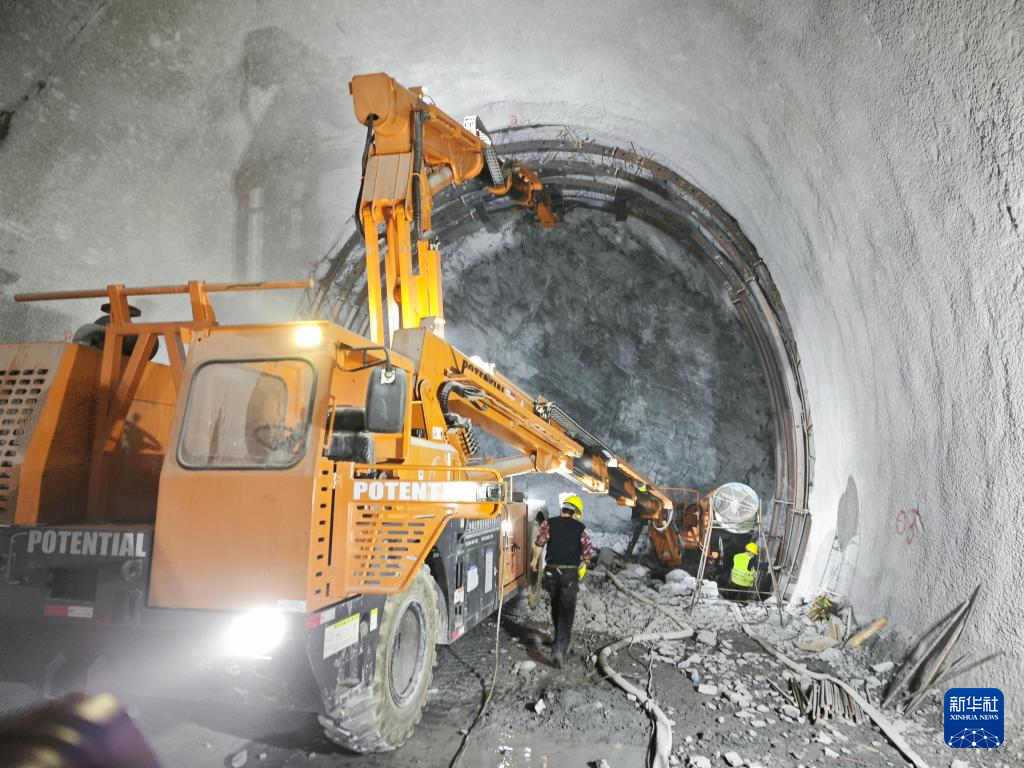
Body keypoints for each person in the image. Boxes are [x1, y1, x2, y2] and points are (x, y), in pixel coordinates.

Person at [530, 494, 593, 667]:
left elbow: (539, 543)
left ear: (562, 509)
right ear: (576, 512)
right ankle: (559, 651)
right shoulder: (581, 528)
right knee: (567, 613)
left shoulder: (549, 523)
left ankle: (559, 640)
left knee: (556, 607)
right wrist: (584, 565)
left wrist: (534, 562)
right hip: (569, 575)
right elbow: (587, 554)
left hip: (551, 573)